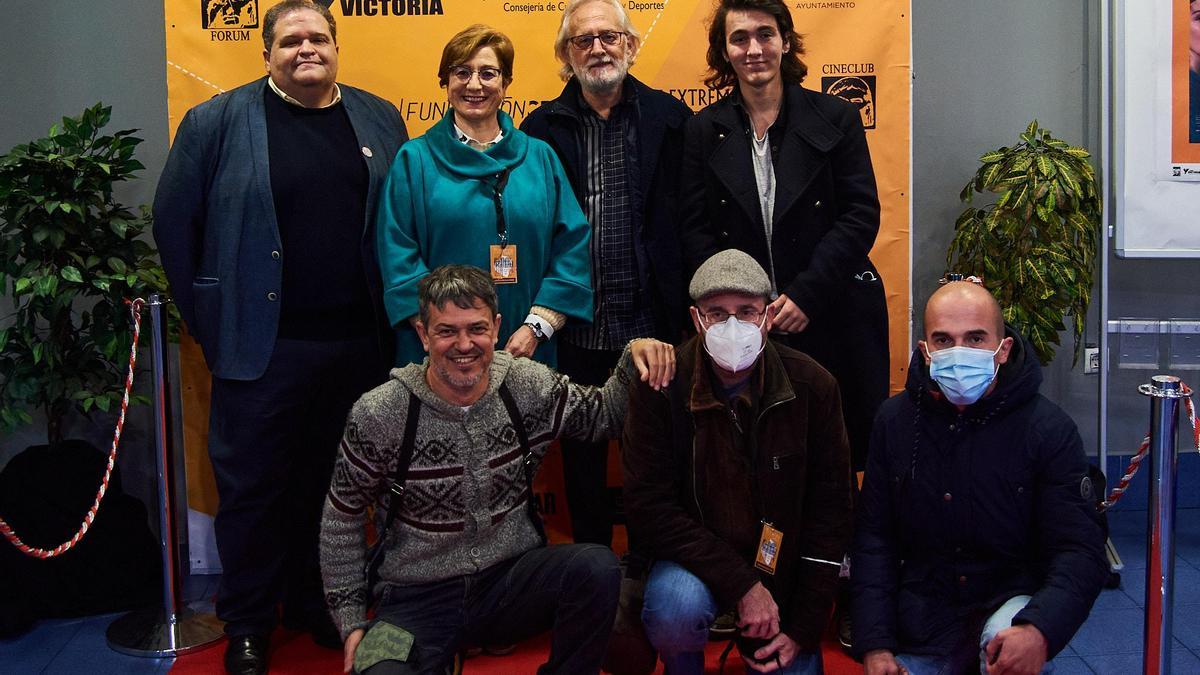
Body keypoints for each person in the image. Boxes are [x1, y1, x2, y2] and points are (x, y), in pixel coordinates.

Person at [151, 1, 408, 672]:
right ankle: (248, 623)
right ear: (266, 53)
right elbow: (175, 224)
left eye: (318, 37)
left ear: (336, 46)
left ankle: (320, 604)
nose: (306, 50)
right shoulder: (215, 121)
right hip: (262, 348)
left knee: (336, 489)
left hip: (356, 345)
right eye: (290, 40)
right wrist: (212, 324)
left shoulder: (379, 116)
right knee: (254, 491)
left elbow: (399, 223)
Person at [320, 264, 676, 675]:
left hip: (509, 583)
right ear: (422, 334)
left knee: (595, 568)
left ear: (497, 327)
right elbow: (340, 519)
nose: (464, 344)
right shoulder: (379, 412)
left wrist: (636, 352)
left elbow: (603, 416)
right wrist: (350, 624)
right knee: (377, 671)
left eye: (476, 328)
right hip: (413, 598)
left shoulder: (526, 384)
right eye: (446, 331)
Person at [851, 280, 1108, 675]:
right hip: (922, 618)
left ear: (1002, 349)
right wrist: (876, 646)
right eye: (943, 340)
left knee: (1008, 648)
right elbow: (874, 540)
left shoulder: (1049, 430)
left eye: (975, 338)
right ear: (925, 351)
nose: (959, 352)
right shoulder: (895, 422)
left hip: (1011, 606)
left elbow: (1080, 548)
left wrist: (1039, 630)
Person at [678, 0, 888, 474]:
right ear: (724, 51)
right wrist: (737, 311)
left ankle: (843, 547)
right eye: (739, 38)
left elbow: (860, 215)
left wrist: (806, 295)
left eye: (765, 34)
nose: (754, 48)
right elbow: (695, 229)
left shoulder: (836, 117)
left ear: (785, 41)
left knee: (841, 448)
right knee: (759, 452)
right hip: (745, 326)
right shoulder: (701, 131)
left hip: (832, 307)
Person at [623, 249, 853, 674]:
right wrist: (744, 585)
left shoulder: (814, 386)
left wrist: (802, 628)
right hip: (692, 559)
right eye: (717, 313)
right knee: (674, 611)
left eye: (747, 311)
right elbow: (647, 507)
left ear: (768, 317)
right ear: (696, 319)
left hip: (781, 564)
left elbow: (831, 514)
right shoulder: (661, 386)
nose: (733, 326)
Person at [520, 0, 693, 547]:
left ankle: (652, 568)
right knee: (583, 464)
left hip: (654, 324)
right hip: (574, 326)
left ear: (630, 45)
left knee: (657, 460)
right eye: (583, 40)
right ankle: (593, 576)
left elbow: (691, 221)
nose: (597, 48)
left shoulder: (671, 120)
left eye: (609, 37)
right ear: (565, 55)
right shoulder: (539, 129)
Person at [376, 24, 592, 370]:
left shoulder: (540, 157)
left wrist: (537, 327)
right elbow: (397, 255)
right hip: (441, 353)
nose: (474, 85)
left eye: (488, 73)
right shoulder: (414, 160)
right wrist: (443, 333)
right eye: (462, 72)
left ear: (505, 83)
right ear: (445, 83)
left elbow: (571, 247)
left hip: (526, 349)